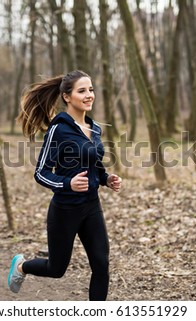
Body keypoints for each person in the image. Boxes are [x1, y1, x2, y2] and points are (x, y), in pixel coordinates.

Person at [8, 70, 122, 301]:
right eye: (82, 91)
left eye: (91, 89)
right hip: (65, 209)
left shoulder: (94, 128)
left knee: (101, 265)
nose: (89, 95)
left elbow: (93, 164)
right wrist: (68, 183)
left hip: (91, 206)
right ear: (67, 97)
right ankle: (22, 267)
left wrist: (106, 178)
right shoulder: (58, 129)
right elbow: (41, 173)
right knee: (56, 269)